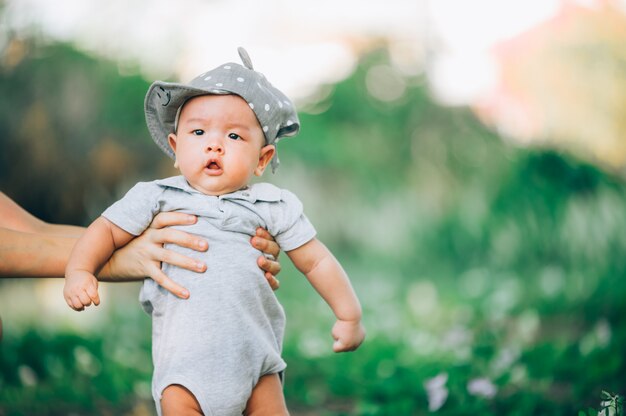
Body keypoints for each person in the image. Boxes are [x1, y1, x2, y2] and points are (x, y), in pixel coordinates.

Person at [64, 47, 365, 416]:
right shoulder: (157, 196)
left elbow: (316, 261)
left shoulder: (273, 206)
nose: (214, 143)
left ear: (263, 159)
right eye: (199, 131)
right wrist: (80, 270)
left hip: (256, 361)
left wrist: (349, 314)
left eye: (234, 137)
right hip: (184, 370)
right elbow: (105, 232)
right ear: (175, 149)